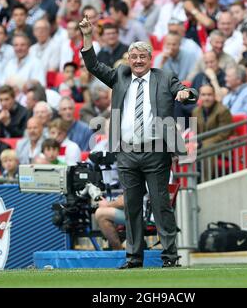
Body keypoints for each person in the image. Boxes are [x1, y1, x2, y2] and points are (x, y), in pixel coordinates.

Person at [79, 14, 198, 268]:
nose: (138, 61)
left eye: (143, 57)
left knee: (160, 205)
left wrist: (186, 93)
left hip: (156, 152)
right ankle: (133, 258)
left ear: (150, 59)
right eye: (134, 57)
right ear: (129, 60)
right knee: (132, 205)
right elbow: (93, 66)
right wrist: (88, 37)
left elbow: (184, 91)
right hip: (127, 153)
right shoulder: (119, 76)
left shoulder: (164, 77)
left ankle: (170, 257)